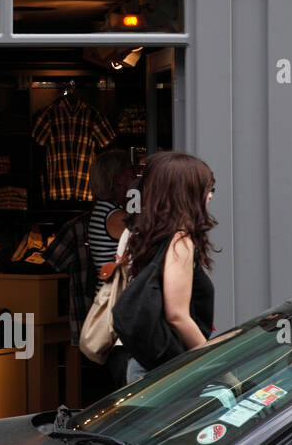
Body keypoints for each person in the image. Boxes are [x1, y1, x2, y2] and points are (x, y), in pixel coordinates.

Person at [122, 151, 217, 384]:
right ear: (187, 194)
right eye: (207, 189)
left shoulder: (153, 236)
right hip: (165, 372)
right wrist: (214, 362)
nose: (211, 196)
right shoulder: (180, 241)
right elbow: (177, 315)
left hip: (151, 366)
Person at [87, 149, 137, 387]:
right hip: (118, 303)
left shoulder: (102, 210)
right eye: (131, 174)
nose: (135, 179)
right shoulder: (115, 216)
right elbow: (145, 242)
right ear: (118, 178)